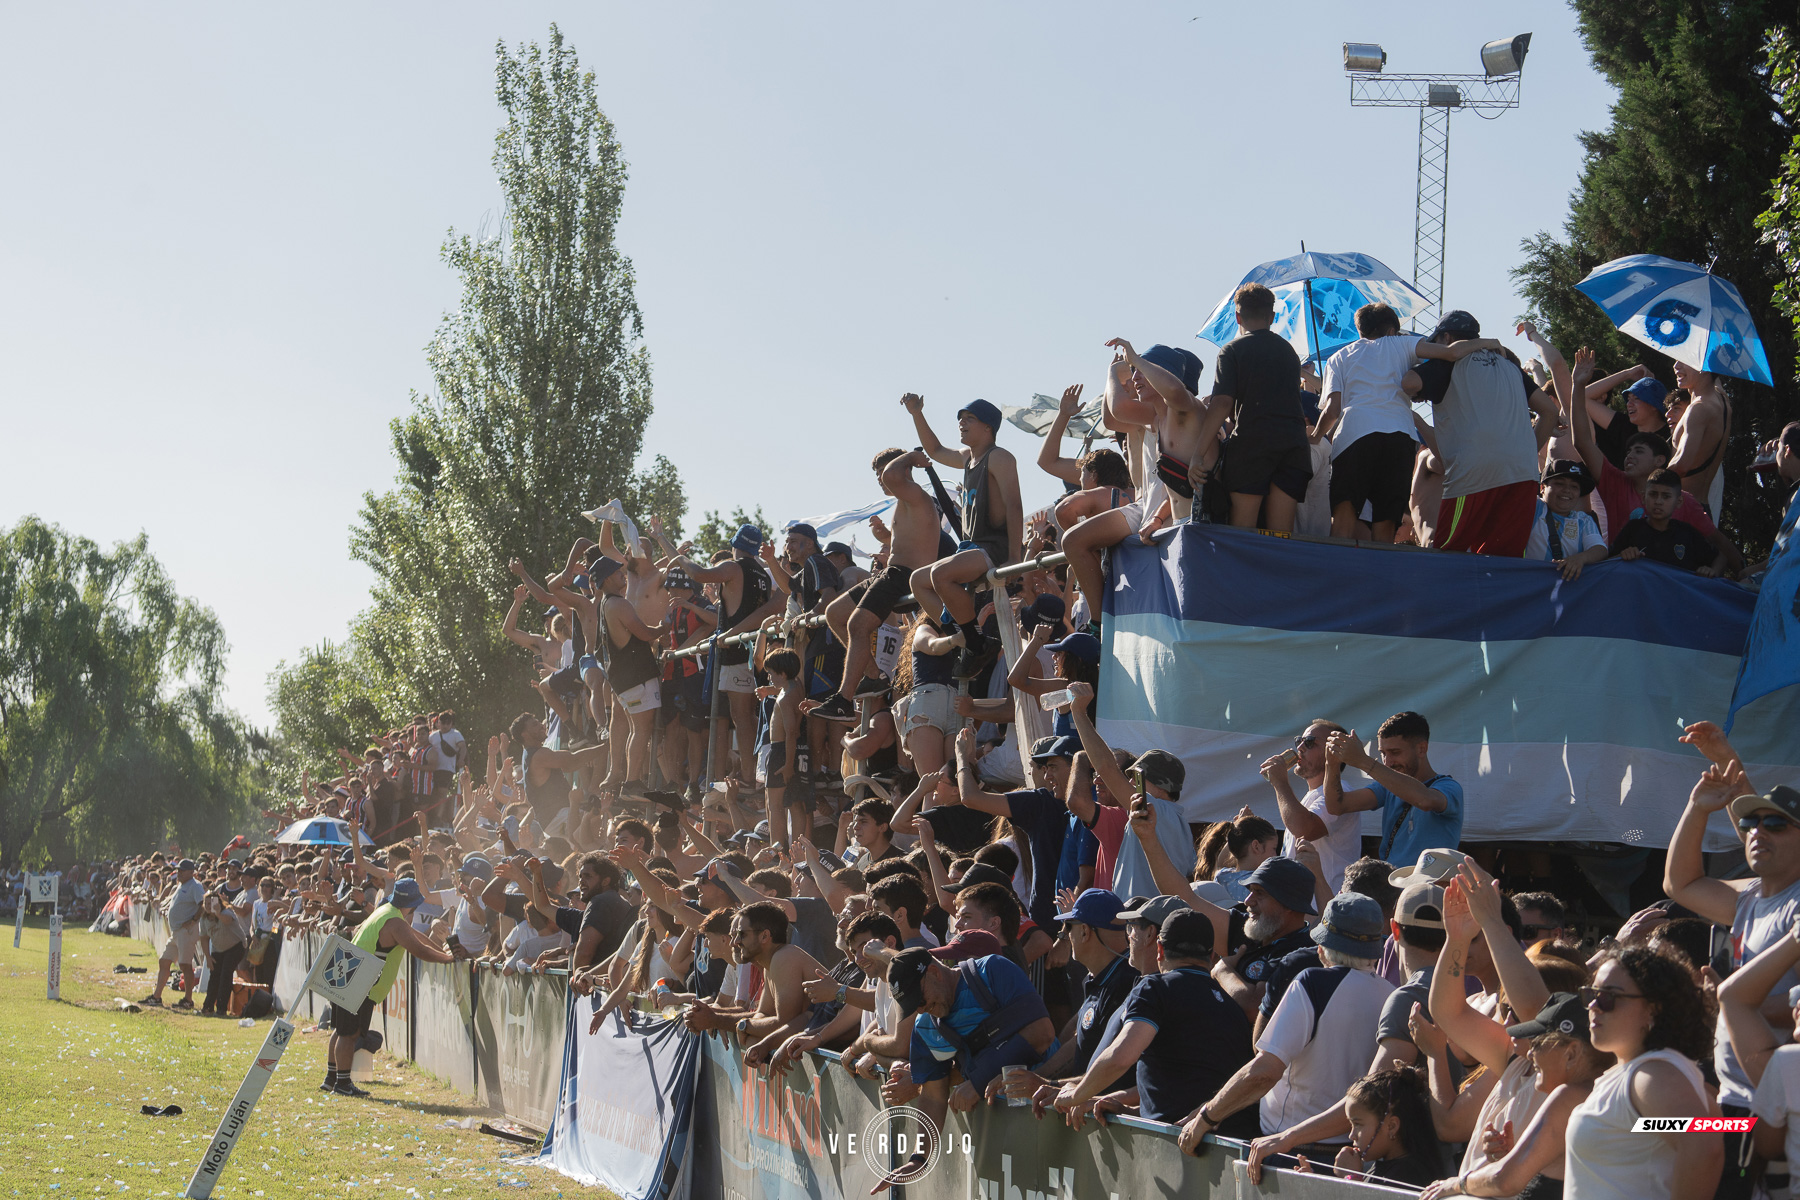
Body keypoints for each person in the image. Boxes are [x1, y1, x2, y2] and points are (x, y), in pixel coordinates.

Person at [1177, 893, 1394, 1157]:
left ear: (1322, 948)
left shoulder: (1312, 982)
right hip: (1352, 1155)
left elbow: (1265, 1070)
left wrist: (1206, 1117)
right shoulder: (1390, 993)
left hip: (1291, 1152)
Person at [1060, 908, 1258, 1134]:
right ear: (1212, 956)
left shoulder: (1154, 987)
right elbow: (1192, 1081)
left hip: (1177, 1149)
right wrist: (1130, 1110)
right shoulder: (1231, 1004)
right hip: (1228, 1145)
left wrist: (1076, 1095)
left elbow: (1121, 1057)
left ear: (1159, 949)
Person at [876, 946, 1057, 1188]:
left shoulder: (991, 972)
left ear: (934, 973)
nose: (921, 1009)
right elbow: (933, 1096)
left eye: (919, 999)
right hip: (1007, 1142)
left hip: (1053, 1119)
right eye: (912, 1006)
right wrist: (919, 1158)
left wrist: (979, 1081)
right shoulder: (926, 1027)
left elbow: (1042, 1033)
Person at [1421, 991, 1612, 1200]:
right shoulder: (1612, 1097)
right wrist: (1514, 1157)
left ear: (1571, 1054)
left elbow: (1505, 1180)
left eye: (1538, 1042)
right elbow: (1646, 1125)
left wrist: (1456, 1184)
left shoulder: (1568, 1097)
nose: (1530, 1053)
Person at [1564, 947, 1721, 1200]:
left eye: (1608, 997)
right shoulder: (1645, 1073)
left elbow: (1704, 1146)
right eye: (1591, 994)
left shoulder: (1651, 1075)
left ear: (1653, 1009)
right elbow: (1710, 1128)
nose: (1594, 1005)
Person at [1569, 348, 1740, 570]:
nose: (1629, 455)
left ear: (1660, 461)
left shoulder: (1681, 501)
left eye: (1638, 451)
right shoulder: (1617, 483)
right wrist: (1577, 385)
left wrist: (1734, 573)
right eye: (1628, 451)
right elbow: (1582, 442)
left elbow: (1721, 548)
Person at [1408, 310, 1557, 556]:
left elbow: (1409, 384)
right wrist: (1527, 453)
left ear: (1446, 338)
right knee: (1502, 563)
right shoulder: (1510, 366)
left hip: (1474, 474)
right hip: (1523, 473)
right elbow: (1550, 412)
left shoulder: (1447, 361)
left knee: (1446, 558)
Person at [817, 445, 949, 719]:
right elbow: (914, 541)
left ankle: (844, 698)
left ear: (904, 471)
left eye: (883, 472)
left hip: (904, 575)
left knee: (857, 624)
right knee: (835, 613)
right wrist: (887, 538)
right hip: (892, 571)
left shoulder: (914, 493)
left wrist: (911, 457)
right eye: (877, 474)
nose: (880, 479)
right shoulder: (905, 501)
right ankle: (874, 676)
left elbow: (893, 476)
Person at [903, 395, 1024, 679]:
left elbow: (1014, 506)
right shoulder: (968, 457)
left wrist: (1016, 557)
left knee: (941, 574)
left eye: (970, 419)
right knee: (917, 581)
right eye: (961, 418)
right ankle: (964, 638)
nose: (962, 423)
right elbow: (933, 449)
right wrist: (917, 414)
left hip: (994, 546)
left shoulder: (1000, 457)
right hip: (971, 547)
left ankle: (974, 641)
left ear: (988, 428)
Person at [1178, 284, 1312, 531]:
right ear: (1272, 317)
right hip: (1293, 445)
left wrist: (1198, 453)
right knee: (1280, 534)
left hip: (1252, 442)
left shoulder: (1232, 350)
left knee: (1243, 532)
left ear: (1238, 317)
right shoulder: (1289, 352)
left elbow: (1222, 403)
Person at [322, 878, 457, 1097]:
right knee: (350, 1034)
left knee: (342, 1030)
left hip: (349, 970)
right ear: (414, 904)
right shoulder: (395, 923)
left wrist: (442, 950)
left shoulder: (386, 911)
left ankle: (332, 1078)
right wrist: (447, 960)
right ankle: (343, 1083)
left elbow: (415, 935)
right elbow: (418, 949)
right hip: (362, 979)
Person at [1316, 303, 1432, 544]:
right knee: (1386, 522)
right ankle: (1381, 575)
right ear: (1391, 331)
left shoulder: (1339, 357)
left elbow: (1333, 410)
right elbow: (1444, 353)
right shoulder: (1401, 344)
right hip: (1399, 434)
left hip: (1353, 436)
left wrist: (1316, 437)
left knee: (1343, 518)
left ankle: (1337, 572)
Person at [672, 526, 781, 774]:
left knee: (741, 717)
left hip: (736, 650)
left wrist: (680, 559)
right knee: (749, 715)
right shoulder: (762, 574)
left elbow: (699, 574)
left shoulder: (735, 566)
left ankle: (750, 775)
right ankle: (755, 771)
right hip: (750, 646)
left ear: (735, 545)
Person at [1324, 713, 1463, 870]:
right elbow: (1337, 806)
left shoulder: (1449, 787)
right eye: (1383, 753)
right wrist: (1332, 763)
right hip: (1393, 887)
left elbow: (1424, 800)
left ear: (1422, 749)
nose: (1388, 762)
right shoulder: (1387, 786)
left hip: (1429, 889)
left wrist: (1363, 761)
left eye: (1395, 752)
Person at [1261, 719, 1359, 893]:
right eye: (1299, 741)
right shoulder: (1309, 797)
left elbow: (1304, 829)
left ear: (1334, 753)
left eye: (1310, 742)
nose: (1300, 748)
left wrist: (1280, 783)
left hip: (1328, 908)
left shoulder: (1340, 792)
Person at [1609, 468, 1722, 576]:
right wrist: (1622, 556)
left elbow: (1721, 557)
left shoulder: (1687, 533)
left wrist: (1712, 571)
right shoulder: (1633, 529)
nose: (1658, 501)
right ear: (1643, 497)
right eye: (1653, 494)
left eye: (1666, 496)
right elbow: (1605, 563)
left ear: (1679, 502)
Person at [506, 712, 609, 828]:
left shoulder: (533, 753)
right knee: (600, 824)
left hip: (556, 818)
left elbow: (569, 766)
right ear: (525, 735)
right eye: (535, 725)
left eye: (539, 722)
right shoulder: (539, 755)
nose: (541, 725)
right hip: (558, 818)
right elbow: (573, 760)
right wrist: (607, 747)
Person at [1525, 460, 1608, 581]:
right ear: (1542, 487)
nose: (1567, 490)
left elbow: (1600, 550)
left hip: (1565, 592)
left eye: (1574, 486)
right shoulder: (1533, 507)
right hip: (1529, 584)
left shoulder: (1584, 520)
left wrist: (1581, 558)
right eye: (1559, 483)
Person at [1668, 362, 1730, 518]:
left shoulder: (1699, 408)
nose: (1676, 366)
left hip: (1683, 509)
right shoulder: (1722, 400)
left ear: (1704, 367)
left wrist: (1647, 484)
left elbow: (1682, 465)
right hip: (1701, 508)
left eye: (1685, 360)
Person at [143, 858, 203, 1008]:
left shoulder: (195, 886)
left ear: (191, 872)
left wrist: (194, 920)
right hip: (177, 932)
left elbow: (202, 904)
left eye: (183, 871)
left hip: (186, 931)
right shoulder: (181, 885)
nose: (179, 873)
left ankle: (188, 1000)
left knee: (185, 965)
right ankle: (156, 996)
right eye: (179, 870)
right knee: (164, 961)